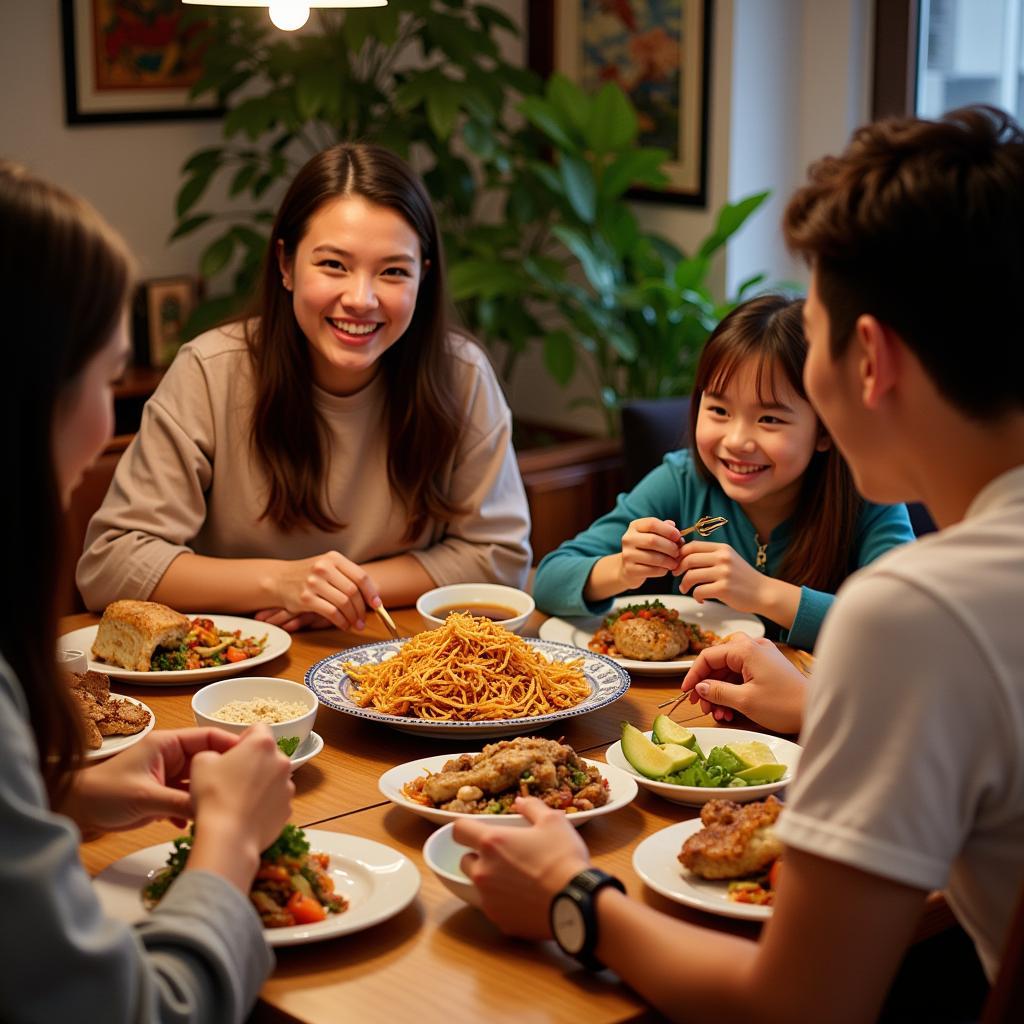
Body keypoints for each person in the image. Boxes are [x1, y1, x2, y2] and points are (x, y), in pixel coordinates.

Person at [453, 105, 1024, 1021]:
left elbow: (802, 1005)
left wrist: (571, 897)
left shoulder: (922, 612)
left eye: (821, 324)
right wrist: (819, 703)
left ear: (866, 358)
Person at [0, 161, 295, 1022]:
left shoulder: (457, 376)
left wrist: (63, 797)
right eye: (106, 380)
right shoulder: (214, 372)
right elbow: (145, 1011)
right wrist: (230, 846)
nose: (104, 431)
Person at [76, 144, 531, 633]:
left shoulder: (461, 375)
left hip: (391, 650)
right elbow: (111, 564)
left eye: (393, 271)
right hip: (235, 672)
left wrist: (337, 593)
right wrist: (279, 582)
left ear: (424, 275)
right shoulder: (211, 371)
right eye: (334, 265)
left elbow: (499, 558)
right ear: (287, 265)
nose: (361, 298)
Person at [532, 293, 913, 650]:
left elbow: (905, 626)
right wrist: (622, 568)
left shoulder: (868, 494)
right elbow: (549, 581)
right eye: (718, 411)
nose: (736, 440)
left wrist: (765, 593)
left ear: (825, 429)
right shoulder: (682, 481)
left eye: (769, 418)